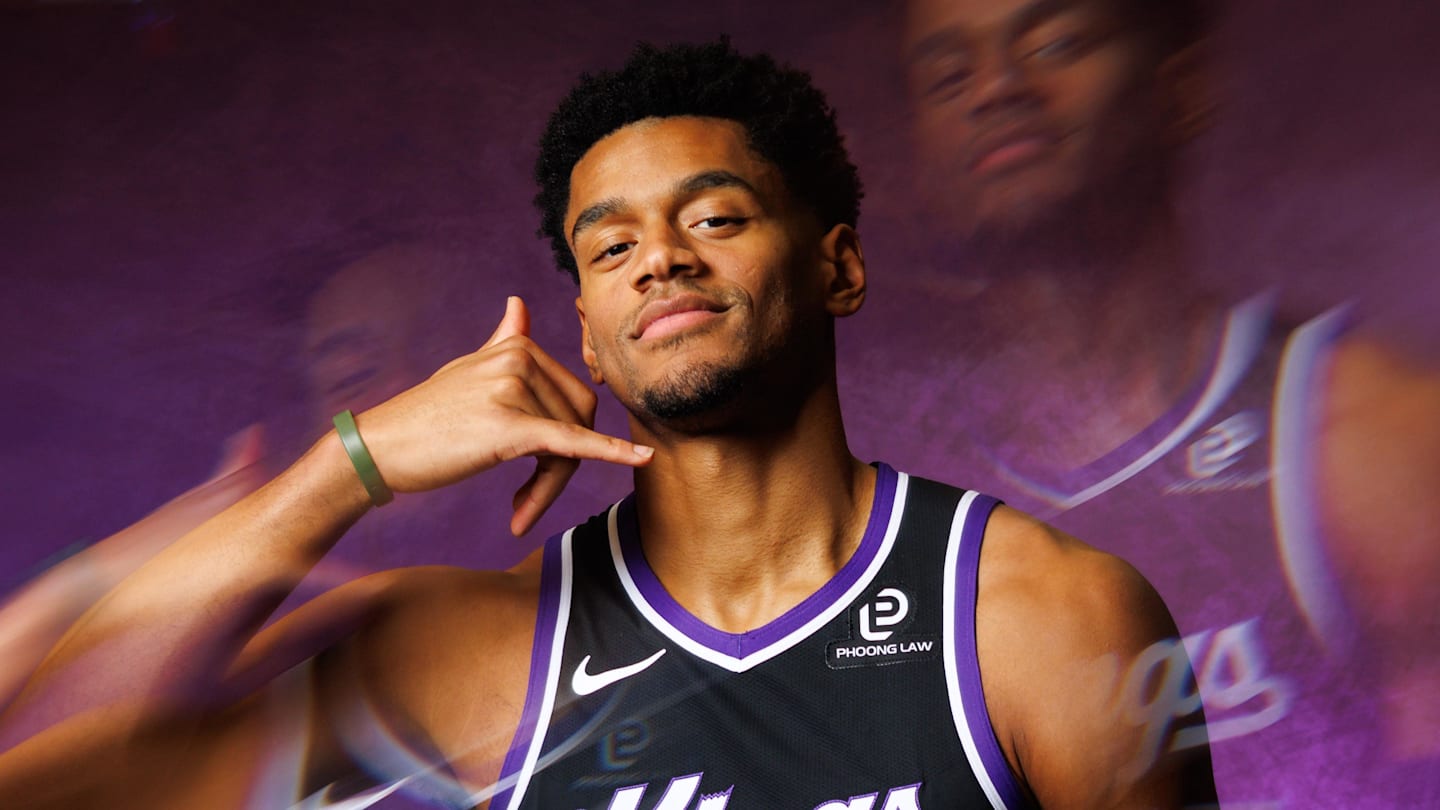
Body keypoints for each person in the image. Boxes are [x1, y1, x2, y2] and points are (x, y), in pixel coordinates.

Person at [0, 40, 1213, 809]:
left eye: (718, 218)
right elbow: (51, 782)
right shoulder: (466, 650)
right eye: (612, 244)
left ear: (838, 266)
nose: (661, 262)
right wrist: (342, 469)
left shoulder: (1050, 618)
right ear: (584, 328)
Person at [901, 0, 1440, 804]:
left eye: (1057, 42)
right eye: (950, 75)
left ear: (1180, 86)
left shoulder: (1367, 434)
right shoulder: (897, 519)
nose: (998, 88)